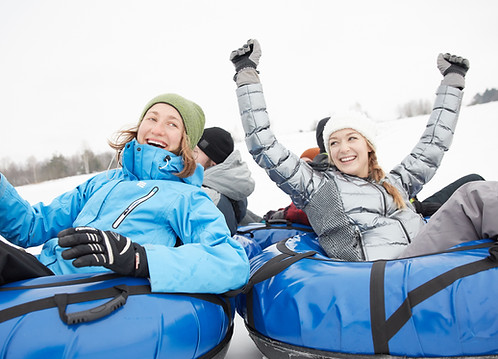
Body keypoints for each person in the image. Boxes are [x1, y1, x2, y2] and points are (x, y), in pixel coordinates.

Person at [229, 39, 497, 261]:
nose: (342, 148)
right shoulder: (320, 188)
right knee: (474, 195)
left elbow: (433, 145)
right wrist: (247, 74)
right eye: (334, 142)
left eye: (351, 138)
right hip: (389, 269)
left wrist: (453, 80)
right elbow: (264, 145)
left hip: (428, 256)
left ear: (368, 146)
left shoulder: (395, 183)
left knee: (480, 194)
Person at [0, 93, 250, 293]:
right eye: (151, 118)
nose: (157, 129)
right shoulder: (103, 182)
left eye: (172, 124)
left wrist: (138, 258)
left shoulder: (188, 197)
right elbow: (31, 227)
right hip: (43, 275)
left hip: (91, 291)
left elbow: (231, 262)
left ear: (186, 141)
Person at [194, 126, 255, 235]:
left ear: (213, 162)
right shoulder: (229, 188)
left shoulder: (208, 196)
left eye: (195, 152)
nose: (187, 155)